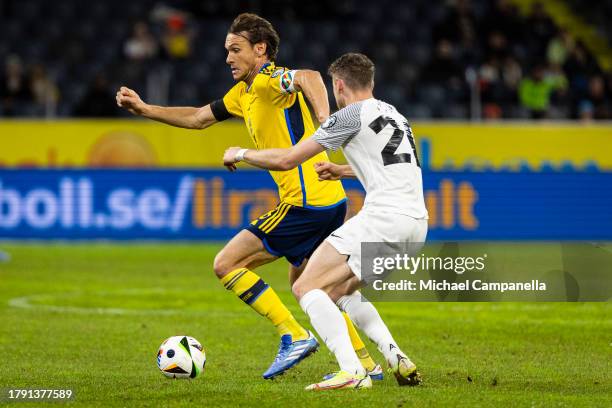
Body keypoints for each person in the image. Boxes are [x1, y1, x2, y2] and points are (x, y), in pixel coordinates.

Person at [116, 13, 380, 380]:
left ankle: (294, 335)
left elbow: (309, 77)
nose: (228, 58)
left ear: (261, 50)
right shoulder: (242, 94)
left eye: (235, 49)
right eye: (226, 50)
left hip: (306, 203)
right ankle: (366, 364)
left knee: (226, 264)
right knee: (315, 288)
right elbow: (197, 118)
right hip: (329, 200)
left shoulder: (271, 79)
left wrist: (325, 120)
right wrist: (145, 109)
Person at [223, 52, 428, 390]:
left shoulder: (347, 116)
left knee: (306, 286)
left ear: (339, 85)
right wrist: (342, 170)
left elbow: (288, 159)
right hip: (416, 224)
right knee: (342, 291)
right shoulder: (395, 115)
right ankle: (395, 356)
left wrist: (241, 153)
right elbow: (391, 167)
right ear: (371, 83)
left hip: (383, 219)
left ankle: (351, 372)